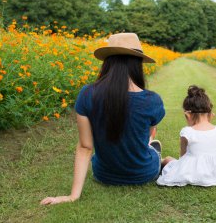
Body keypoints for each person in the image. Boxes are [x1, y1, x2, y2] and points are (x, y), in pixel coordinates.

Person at [41, 33, 167, 205]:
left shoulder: (87, 94)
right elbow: (151, 128)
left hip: (104, 175)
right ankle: (150, 148)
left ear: (107, 62)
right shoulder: (153, 100)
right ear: (138, 63)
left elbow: (85, 147)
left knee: (146, 136)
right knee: (151, 139)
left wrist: (73, 196)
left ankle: (148, 145)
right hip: (145, 174)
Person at [156, 85, 216, 187]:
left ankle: (157, 160)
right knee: (171, 161)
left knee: (168, 160)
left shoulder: (186, 132)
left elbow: (183, 157)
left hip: (193, 172)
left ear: (187, 114)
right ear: (211, 114)